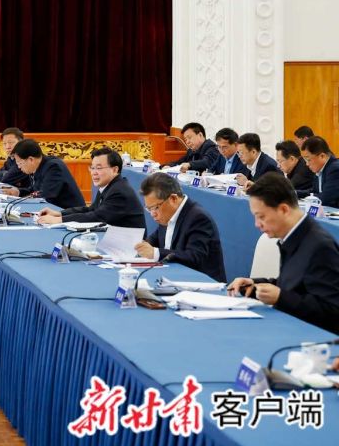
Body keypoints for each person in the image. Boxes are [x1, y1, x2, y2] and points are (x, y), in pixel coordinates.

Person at [227, 173, 339, 334]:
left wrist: (281, 297)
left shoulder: (320, 246)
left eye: (261, 217)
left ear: (284, 210)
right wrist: (255, 284)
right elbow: (296, 285)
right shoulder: (295, 235)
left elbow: (332, 312)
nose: (257, 224)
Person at [134, 172, 226, 281]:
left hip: (202, 284)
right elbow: (153, 240)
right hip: (173, 279)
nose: (153, 214)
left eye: (155, 208)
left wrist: (155, 253)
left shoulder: (198, 218)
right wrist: (140, 247)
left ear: (173, 199)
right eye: (149, 209)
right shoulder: (167, 214)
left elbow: (194, 257)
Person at [37, 148, 145, 228]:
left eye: (99, 168)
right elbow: (91, 209)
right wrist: (59, 213)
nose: (94, 172)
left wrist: (58, 220)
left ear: (115, 170)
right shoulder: (109, 185)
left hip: (129, 245)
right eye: (92, 168)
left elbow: (96, 217)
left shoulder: (119, 192)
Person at [5, 138, 83, 209]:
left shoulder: (54, 167)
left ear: (31, 159)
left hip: (70, 214)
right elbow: (35, 190)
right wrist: (18, 192)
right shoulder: (39, 165)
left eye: (19, 163)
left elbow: (45, 197)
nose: (19, 167)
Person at [300, 136, 339, 208]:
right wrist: (294, 193)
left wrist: (307, 200)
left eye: (308, 160)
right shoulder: (320, 169)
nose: (307, 164)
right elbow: (314, 192)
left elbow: (326, 198)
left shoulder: (335, 169)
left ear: (322, 156)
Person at [0, 127, 31, 193]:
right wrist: (7, 173)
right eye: (4, 143)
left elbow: (6, 180)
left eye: (11, 143)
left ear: (21, 143)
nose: (7, 147)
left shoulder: (24, 159)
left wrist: (7, 174)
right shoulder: (11, 158)